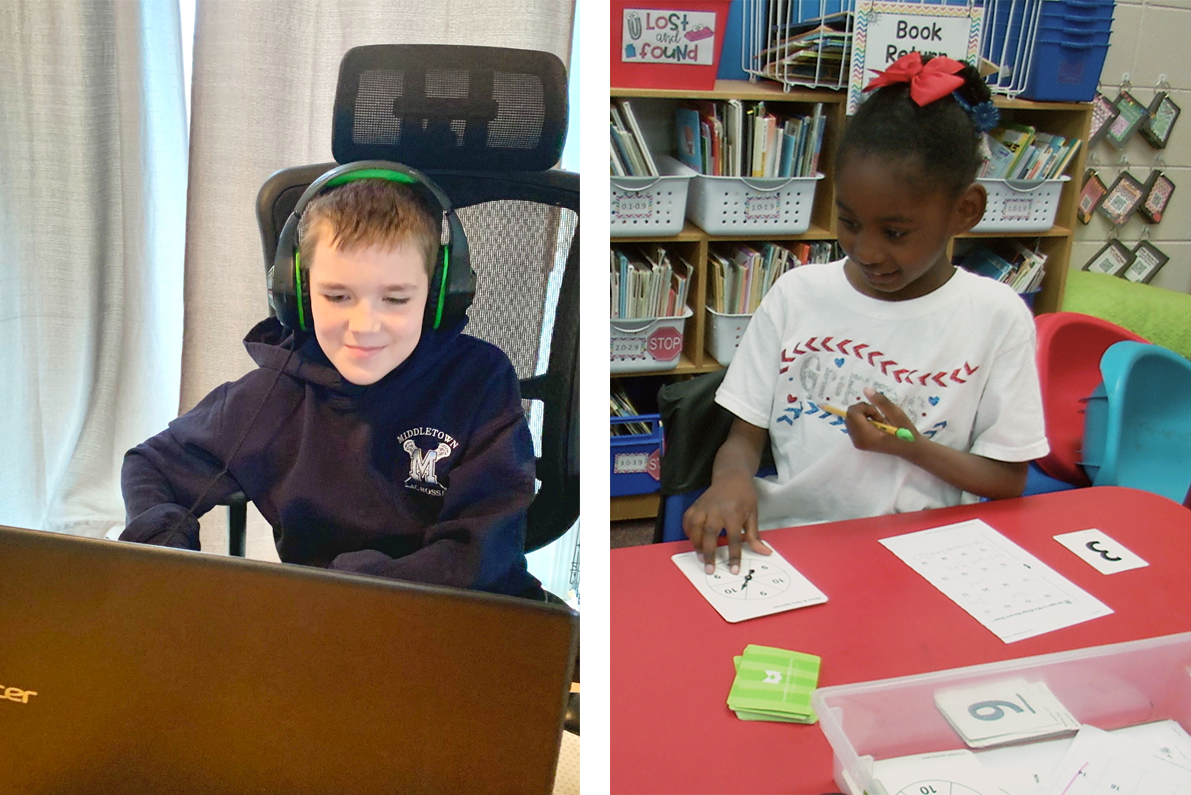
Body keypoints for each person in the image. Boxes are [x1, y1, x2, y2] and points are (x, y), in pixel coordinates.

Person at [683, 53, 1049, 574]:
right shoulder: (797, 294)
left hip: (928, 554)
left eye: (895, 233)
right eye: (849, 221)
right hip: (795, 544)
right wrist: (731, 482)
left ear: (966, 210)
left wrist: (909, 446)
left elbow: (1008, 478)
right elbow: (745, 435)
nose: (866, 250)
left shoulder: (997, 316)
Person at [120, 171, 544, 599]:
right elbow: (152, 464)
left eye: (396, 299)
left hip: (458, 611)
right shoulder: (271, 396)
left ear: (437, 298)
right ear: (297, 296)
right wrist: (169, 561)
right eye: (337, 296)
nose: (364, 326)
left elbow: (483, 553)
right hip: (328, 618)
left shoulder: (478, 383)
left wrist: (351, 584)